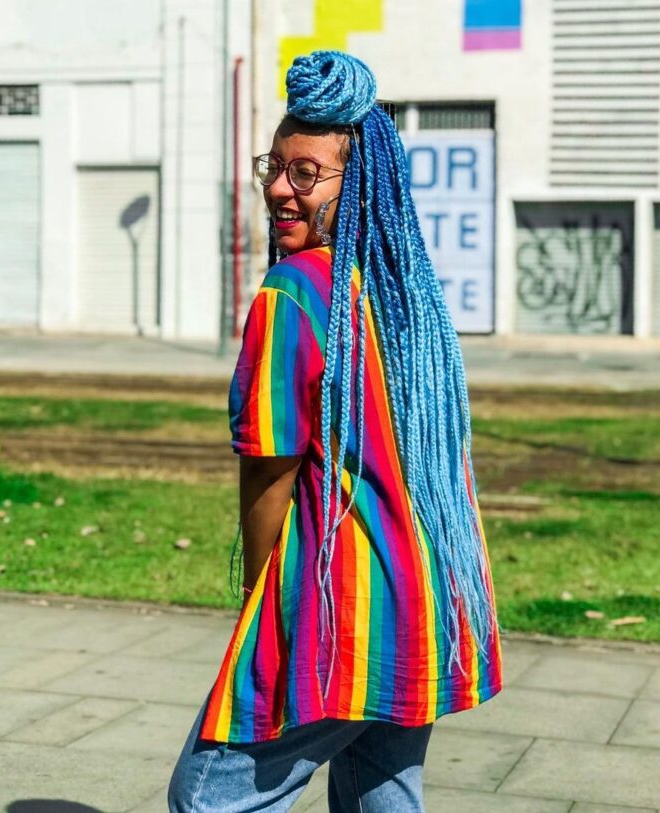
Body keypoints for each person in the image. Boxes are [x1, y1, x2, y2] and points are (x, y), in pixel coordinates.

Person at [168, 50, 503, 813]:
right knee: (380, 794)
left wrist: (261, 604)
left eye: (306, 173)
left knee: (209, 796)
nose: (279, 189)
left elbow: (269, 468)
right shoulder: (406, 296)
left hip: (341, 611)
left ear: (359, 185)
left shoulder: (294, 291)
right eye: (275, 167)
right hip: (430, 599)